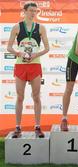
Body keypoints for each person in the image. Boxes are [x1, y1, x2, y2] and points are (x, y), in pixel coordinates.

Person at [7, 2, 49, 138]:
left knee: (36, 96)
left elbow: (47, 48)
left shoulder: (41, 27)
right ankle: (18, 128)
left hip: (35, 64)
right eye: (31, 10)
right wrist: (20, 54)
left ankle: (37, 127)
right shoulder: (16, 27)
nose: (33, 13)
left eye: (35, 11)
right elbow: (9, 48)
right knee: (20, 97)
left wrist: (35, 55)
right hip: (20, 65)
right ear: (24, 11)